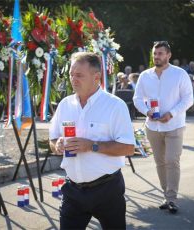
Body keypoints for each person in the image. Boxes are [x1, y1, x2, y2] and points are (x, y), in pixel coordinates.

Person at [49, 52, 135, 229]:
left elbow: (128, 148)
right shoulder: (65, 104)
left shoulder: (115, 105)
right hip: (72, 190)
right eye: (71, 74)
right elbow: (53, 138)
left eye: (79, 75)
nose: (73, 79)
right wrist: (56, 145)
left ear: (96, 77)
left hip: (107, 189)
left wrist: (92, 145)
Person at [133, 41, 193, 214]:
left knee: (172, 160)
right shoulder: (145, 75)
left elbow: (188, 99)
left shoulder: (180, 74)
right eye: (155, 53)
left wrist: (171, 113)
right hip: (152, 126)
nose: (156, 56)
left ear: (168, 55)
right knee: (160, 162)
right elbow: (137, 99)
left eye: (160, 53)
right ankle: (167, 196)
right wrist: (147, 111)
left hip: (174, 125)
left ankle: (172, 199)